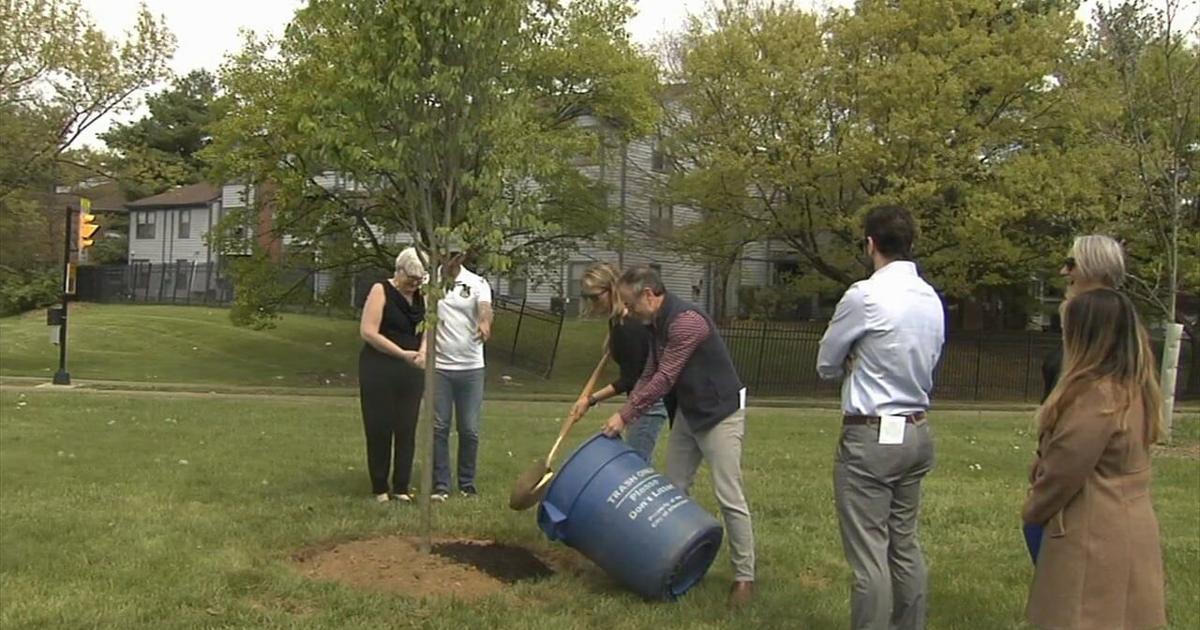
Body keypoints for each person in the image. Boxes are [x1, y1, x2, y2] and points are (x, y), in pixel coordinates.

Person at [816, 205, 946, 630]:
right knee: (904, 545)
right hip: (916, 429)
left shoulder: (864, 296)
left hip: (871, 436)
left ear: (870, 243)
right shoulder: (930, 297)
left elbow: (826, 363)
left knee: (870, 555)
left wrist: (853, 360)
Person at [599, 265, 755, 607]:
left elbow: (665, 377)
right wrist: (628, 408)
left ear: (649, 296)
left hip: (720, 413)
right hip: (688, 413)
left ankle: (744, 578)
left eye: (629, 302)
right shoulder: (654, 324)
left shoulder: (687, 322)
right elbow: (650, 373)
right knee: (674, 491)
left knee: (729, 495)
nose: (626, 309)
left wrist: (625, 416)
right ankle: (674, 563)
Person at [1022, 288, 1166, 630]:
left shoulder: (1096, 396)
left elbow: (1064, 472)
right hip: (1129, 525)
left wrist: (1033, 510)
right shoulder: (1135, 388)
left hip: (1093, 535)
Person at [569, 263, 673, 463]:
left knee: (635, 465)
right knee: (633, 463)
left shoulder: (628, 326)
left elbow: (630, 380)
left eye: (594, 297)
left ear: (611, 291)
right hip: (641, 399)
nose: (591, 303)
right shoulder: (617, 322)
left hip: (649, 403)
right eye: (586, 297)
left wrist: (590, 400)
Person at [357, 247, 427, 503]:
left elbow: (429, 327)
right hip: (380, 367)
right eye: (411, 279)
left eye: (419, 280)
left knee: (407, 428)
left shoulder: (422, 296)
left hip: (412, 370)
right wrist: (401, 353)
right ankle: (379, 487)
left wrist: (422, 351)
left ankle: (401, 486)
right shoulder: (380, 290)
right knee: (380, 426)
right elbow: (368, 332)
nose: (414, 285)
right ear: (399, 271)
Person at [432, 250, 493, 501]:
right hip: (439, 367)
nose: (451, 260)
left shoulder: (477, 283)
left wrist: (485, 323)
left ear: (462, 257)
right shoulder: (430, 282)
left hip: (471, 367)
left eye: (456, 256)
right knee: (439, 427)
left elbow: (485, 309)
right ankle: (441, 486)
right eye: (446, 254)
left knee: (469, 429)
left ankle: (467, 484)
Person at [1040, 235, 1126, 402]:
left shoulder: (1112, 326)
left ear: (1095, 269)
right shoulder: (1079, 320)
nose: (1063, 271)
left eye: (1071, 264)